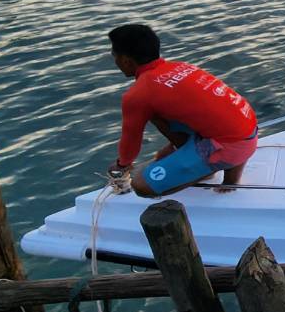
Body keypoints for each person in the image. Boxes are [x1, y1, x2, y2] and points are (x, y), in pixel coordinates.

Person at [106, 24, 258, 198]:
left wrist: (121, 164)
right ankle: (226, 176)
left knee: (141, 185)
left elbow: (130, 143)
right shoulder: (181, 66)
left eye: (114, 56)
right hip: (250, 131)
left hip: (232, 148)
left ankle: (205, 171)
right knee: (157, 115)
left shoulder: (137, 94)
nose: (115, 61)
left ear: (126, 60)